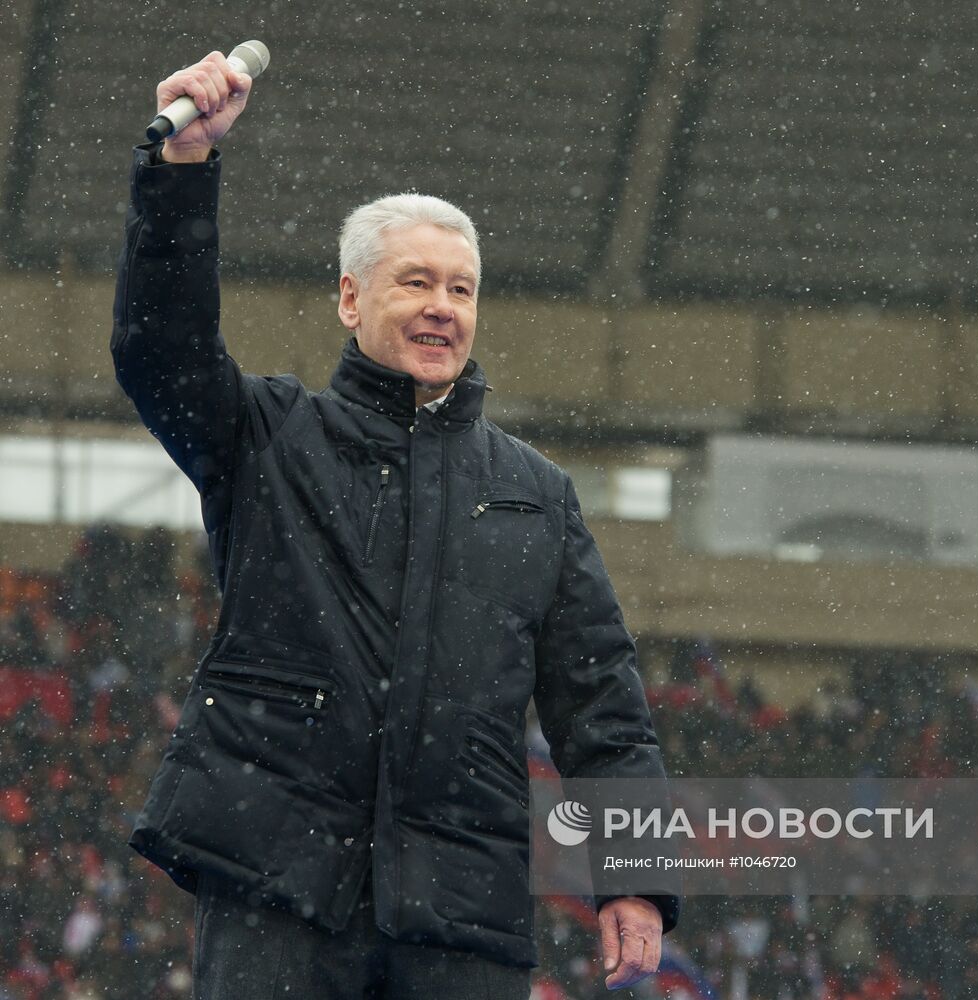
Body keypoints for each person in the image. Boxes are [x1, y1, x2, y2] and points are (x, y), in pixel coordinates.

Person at [112, 51, 680, 998]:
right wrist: (182, 173)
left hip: (460, 919)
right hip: (277, 893)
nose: (441, 309)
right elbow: (159, 347)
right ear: (350, 298)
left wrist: (639, 879)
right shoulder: (270, 438)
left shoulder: (537, 493)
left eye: (461, 290)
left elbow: (604, 711)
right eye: (415, 282)